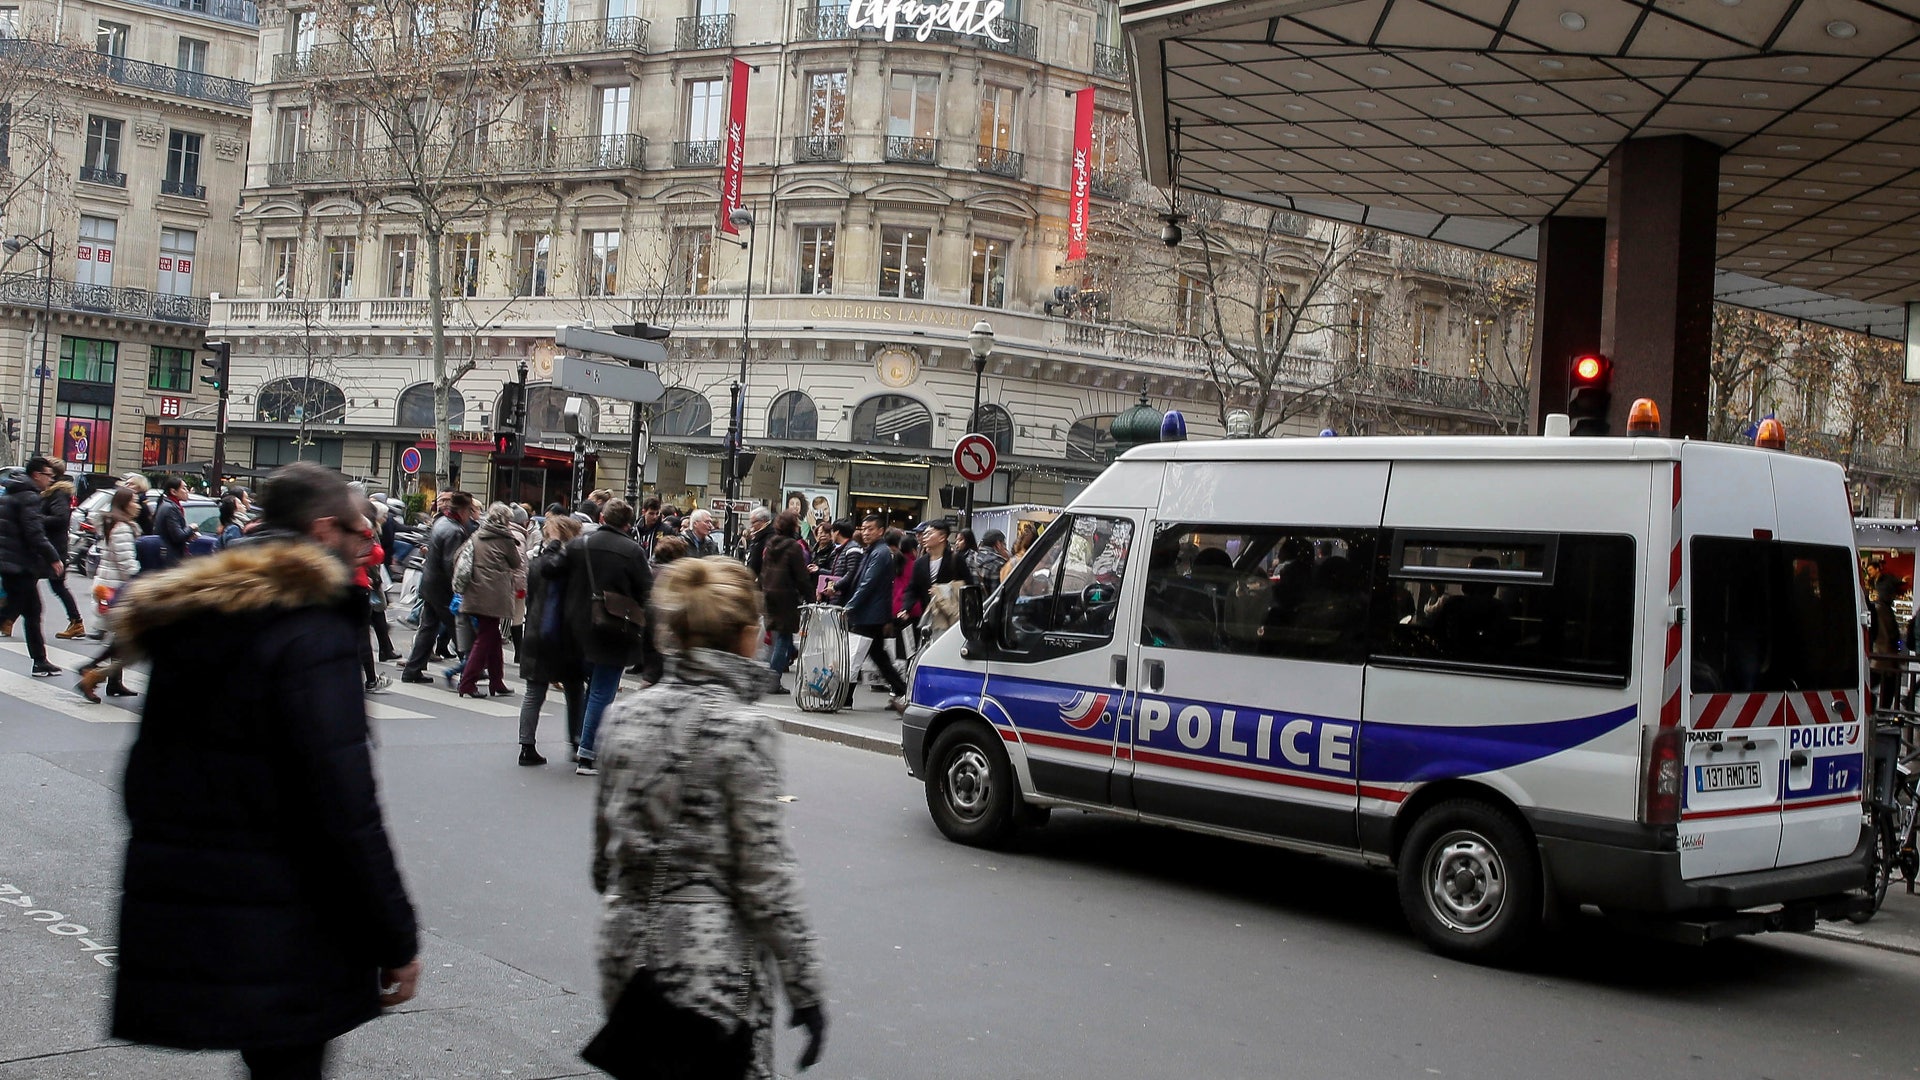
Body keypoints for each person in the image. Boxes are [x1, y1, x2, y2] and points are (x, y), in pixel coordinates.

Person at [109, 461, 420, 1080]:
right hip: (290, 905)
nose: (372, 548)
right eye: (363, 534)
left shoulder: (201, 609)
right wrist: (395, 939)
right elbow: (345, 803)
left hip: (203, 892)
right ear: (326, 531)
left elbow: (146, 778)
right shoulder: (311, 626)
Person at [591, 556, 825, 1080]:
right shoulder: (742, 729)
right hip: (706, 967)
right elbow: (765, 879)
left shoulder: (624, 714)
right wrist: (805, 987)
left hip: (626, 955)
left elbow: (603, 860)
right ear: (746, 637)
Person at [554, 497, 652, 775]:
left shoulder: (578, 544)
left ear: (601, 519)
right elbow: (646, 591)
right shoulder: (632, 551)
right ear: (628, 524)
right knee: (602, 690)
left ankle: (578, 741)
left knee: (582, 687)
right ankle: (588, 752)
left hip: (574, 624)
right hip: (614, 626)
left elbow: (557, 578)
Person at [517, 514, 586, 766]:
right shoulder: (567, 564)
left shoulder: (537, 561)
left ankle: (526, 745)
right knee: (575, 691)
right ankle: (577, 741)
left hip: (536, 630)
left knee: (534, 693)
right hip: (563, 635)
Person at [0, 457, 67, 675]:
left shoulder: (12, 493)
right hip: (20, 565)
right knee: (9, 611)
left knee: (32, 611)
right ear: (37, 475)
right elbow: (34, 532)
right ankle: (40, 660)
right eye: (48, 475)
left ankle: (40, 660)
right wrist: (53, 558)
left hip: (14, 563)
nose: (51, 480)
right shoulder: (29, 497)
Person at [76, 486, 144, 702]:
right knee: (127, 639)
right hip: (118, 589)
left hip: (108, 585)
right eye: (134, 501)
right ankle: (91, 670)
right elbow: (127, 565)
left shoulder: (112, 523)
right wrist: (141, 581)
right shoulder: (122, 528)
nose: (138, 505)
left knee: (121, 638)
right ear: (124, 504)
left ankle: (112, 681)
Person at [401, 491, 474, 683]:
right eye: (471, 510)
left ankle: (412, 669)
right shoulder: (455, 530)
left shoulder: (442, 523)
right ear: (464, 510)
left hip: (430, 583)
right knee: (456, 626)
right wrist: (460, 588)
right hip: (442, 587)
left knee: (429, 627)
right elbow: (452, 563)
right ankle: (471, 665)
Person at [454, 502, 521, 699]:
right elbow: (516, 562)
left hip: (475, 592)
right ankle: (467, 682)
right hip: (493, 595)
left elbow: (459, 556)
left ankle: (496, 681)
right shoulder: (505, 540)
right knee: (485, 638)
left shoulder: (477, 535)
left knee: (492, 638)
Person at [843, 514, 908, 711]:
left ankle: (845, 697)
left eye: (870, 528)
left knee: (856, 654)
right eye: (863, 528)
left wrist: (850, 606)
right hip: (871, 612)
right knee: (877, 655)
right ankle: (902, 689)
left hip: (870, 613)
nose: (866, 532)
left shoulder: (879, 553)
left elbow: (867, 583)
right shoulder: (873, 551)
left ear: (880, 531)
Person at [760, 510, 811, 693]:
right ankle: (773, 680)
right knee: (784, 638)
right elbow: (801, 576)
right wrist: (810, 597)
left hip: (770, 594)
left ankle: (767, 676)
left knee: (775, 638)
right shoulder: (793, 547)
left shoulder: (771, 544)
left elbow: (764, 571)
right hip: (787, 596)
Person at [41, 464, 86, 639]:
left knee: (55, 585)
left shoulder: (58, 493)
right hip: (48, 546)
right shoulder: (51, 492)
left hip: (53, 547)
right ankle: (7, 619)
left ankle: (77, 622)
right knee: (30, 583)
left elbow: (60, 519)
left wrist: (37, 518)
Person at [153, 476, 197, 564]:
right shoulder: (170, 508)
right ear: (173, 491)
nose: (187, 491)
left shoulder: (169, 505)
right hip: (171, 556)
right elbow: (178, 536)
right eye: (184, 488)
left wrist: (188, 535)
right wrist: (191, 528)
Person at [741, 505, 773, 570]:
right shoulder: (758, 536)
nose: (751, 526)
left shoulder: (769, 537)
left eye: (753, 523)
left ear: (763, 521)